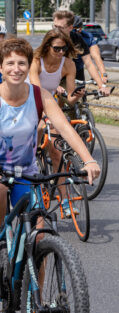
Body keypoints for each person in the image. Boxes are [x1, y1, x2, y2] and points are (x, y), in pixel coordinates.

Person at [0, 38, 100, 223]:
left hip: (26, 172)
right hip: (1, 172)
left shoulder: (40, 96)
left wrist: (89, 160)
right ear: (1, 68)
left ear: (29, 66)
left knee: (39, 233)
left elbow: (65, 129)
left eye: (22, 63)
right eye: (10, 63)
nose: (16, 69)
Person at [52, 10, 109, 95]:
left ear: (70, 28)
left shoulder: (78, 39)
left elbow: (89, 62)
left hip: (76, 71)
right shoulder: (50, 38)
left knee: (79, 98)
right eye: (55, 26)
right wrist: (53, 84)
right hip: (55, 73)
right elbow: (44, 64)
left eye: (60, 27)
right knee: (61, 100)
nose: (56, 30)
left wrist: (101, 85)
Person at [72, 15, 108, 84]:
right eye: (71, 29)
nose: (72, 32)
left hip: (78, 69)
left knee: (81, 92)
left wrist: (103, 74)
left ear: (80, 29)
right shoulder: (64, 36)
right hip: (62, 69)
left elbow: (96, 56)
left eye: (75, 30)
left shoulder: (87, 37)